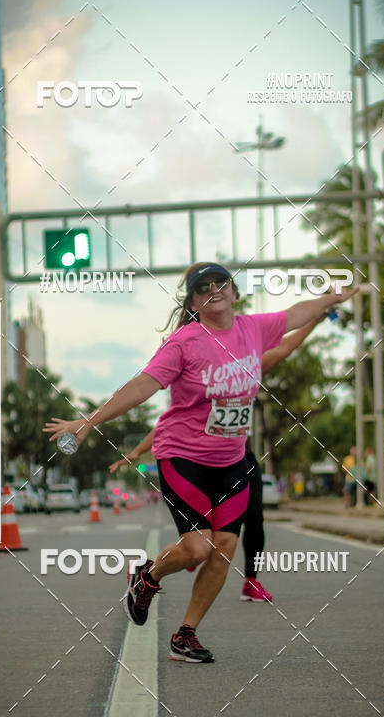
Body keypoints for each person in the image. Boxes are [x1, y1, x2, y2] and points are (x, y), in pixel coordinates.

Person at [44, 261, 357, 663]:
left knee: (224, 547)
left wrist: (333, 298)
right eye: (202, 287)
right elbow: (141, 386)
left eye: (220, 283)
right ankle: (147, 577)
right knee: (197, 548)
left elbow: (297, 313)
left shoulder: (253, 329)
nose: (214, 290)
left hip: (232, 460)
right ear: (193, 303)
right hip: (183, 456)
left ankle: (186, 634)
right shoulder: (184, 343)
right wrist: (88, 421)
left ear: (234, 292)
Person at [108, 316, 325, 603]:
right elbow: (164, 424)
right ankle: (168, 563)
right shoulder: (199, 379)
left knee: (255, 517)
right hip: (196, 459)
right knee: (202, 539)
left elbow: (285, 347)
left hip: (237, 456)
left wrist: (315, 320)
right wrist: (137, 451)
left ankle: (251, 581)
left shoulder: (247, 368)